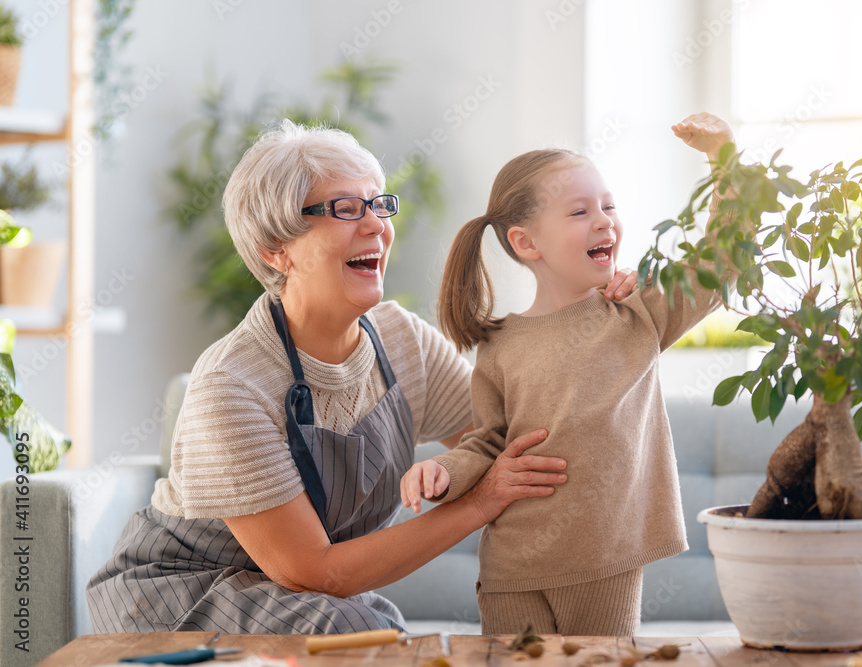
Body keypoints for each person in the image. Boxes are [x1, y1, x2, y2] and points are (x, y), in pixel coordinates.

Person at [85, 120, 635, 635]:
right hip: (180, 597)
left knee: (368, 629)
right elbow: (315, 571)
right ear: (275, 250)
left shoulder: (400, 339)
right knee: (361, 630)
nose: (377, 225)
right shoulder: (232, 385)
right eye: (346, 209)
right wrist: (478, 503)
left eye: (378, 204)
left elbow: (512, 441)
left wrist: (593, 313)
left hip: (294, 596)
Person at [400, 112, 735, 636]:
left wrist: (724, 160)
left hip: (603, 561)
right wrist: (443, 472)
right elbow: (487, 443)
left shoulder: (637, 313)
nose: (604, 221)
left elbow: (723, 259)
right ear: (527, 243)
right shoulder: (499, 344)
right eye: (579, 211)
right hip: (510, 569)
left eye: (609, 206)